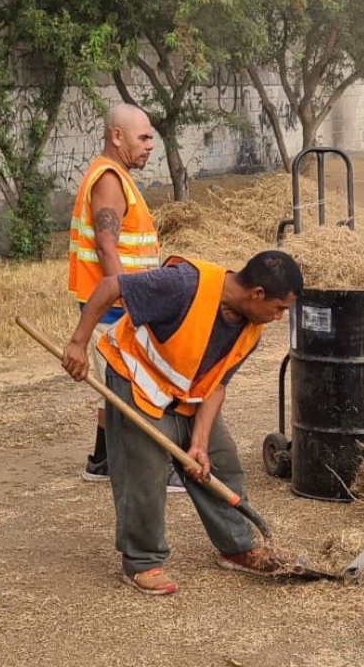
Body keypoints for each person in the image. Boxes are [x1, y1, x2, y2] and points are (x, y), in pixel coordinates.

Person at [61, 250, 304, 594]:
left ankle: (237, 547)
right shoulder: (184, 285)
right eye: (280, 308)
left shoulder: (251, 330)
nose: (280, 317)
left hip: (188, 395)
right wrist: (77, 343)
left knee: (221, 461)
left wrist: (200, 444)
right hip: (137, 380)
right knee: (144, 469)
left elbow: (217, 384)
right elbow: (110, 286)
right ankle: (142, 561)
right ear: (257, 294)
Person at [67, 104, 180, 492]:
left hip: (114, 302)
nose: (151, 145)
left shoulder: (116, 176)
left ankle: (102, 461)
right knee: (134, 388)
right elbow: (106, 246)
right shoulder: (111, 179)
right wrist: (133, 299)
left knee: (115, 382)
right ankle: (152, 469)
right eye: (144, 137)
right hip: (115, 305)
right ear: (117, 137)